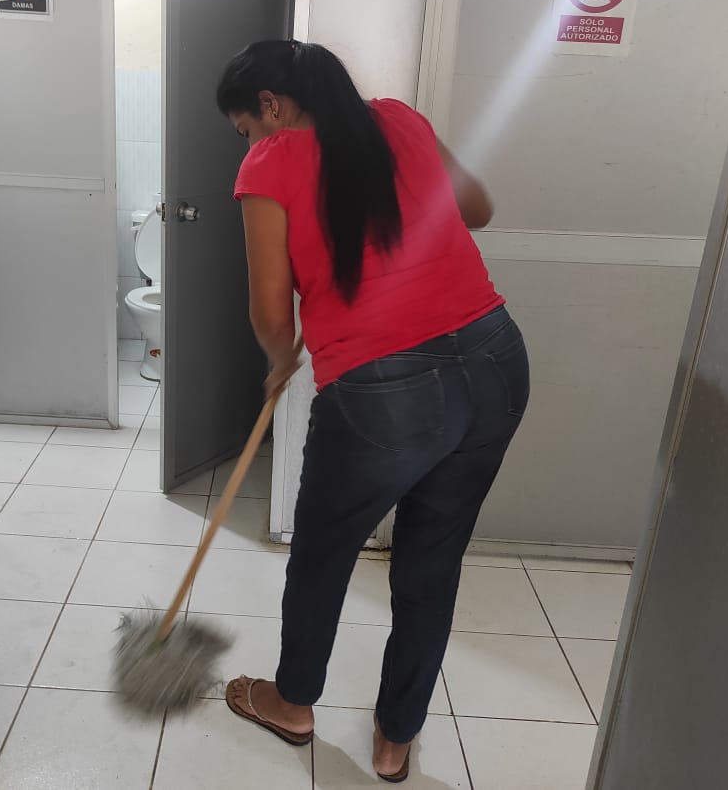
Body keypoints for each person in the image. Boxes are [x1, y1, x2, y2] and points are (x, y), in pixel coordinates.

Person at [215, 40, 530, 783]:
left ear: (270, 106)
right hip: (495, 363)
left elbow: (271, 314)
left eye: (246, 128)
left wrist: (279, 360)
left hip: (383, 390)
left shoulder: (269, 164)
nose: (250, 143)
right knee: (432, 561)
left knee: (323, 554)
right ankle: (396, 739)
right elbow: (479, 209)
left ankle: (293, 703)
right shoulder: (397, 120)